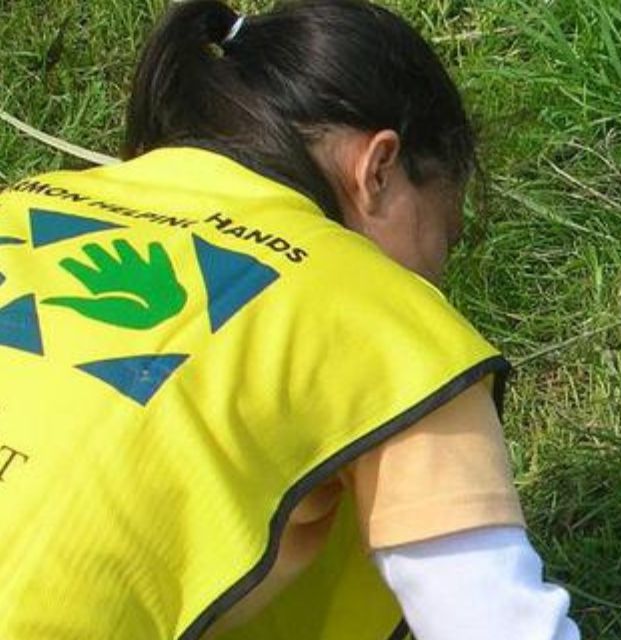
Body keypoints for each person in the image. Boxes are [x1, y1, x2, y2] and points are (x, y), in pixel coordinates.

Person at [0, 2, 579, 638]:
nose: (438, 279)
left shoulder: (21, 205)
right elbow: (495, 625)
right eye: (445, 235)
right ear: (378, 169)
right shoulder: (389, 324)